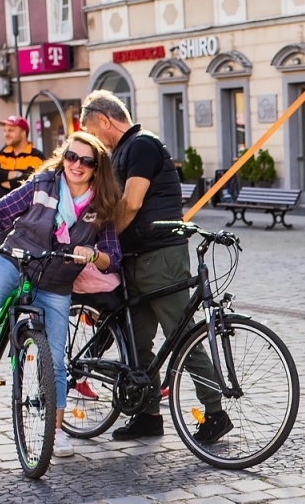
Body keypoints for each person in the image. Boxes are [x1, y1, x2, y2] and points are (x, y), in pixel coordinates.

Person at [0, 132, 122, 458]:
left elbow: (112, 257)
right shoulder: (43, 184)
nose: (76, 165)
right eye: (71, 157)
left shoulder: (101, 205)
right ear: (63, 157)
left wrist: (92, 256)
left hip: (55, 281)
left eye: (85, 161)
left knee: (56, 359)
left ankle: (55, 431)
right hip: (15, 261)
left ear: (97, 168)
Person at [77, 90, 228, 444]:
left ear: (104, 119)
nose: (94, 141)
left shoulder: (142, 145)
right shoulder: (122, 151)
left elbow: (131, 203)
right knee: (137, 341)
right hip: (137, 258)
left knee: (182, 334)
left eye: (92, 131)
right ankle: (147, 416)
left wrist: (103, 236)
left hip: (160, 255)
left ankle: (215, 411)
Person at [0, 115, 44, 200]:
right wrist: (14, 174)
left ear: (23, 133)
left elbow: (27, 181)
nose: (6, 134)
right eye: (4, 130)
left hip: (25, 209)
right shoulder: (1, 154)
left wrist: (2, 182)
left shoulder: (36, 156)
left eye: (11, 130)